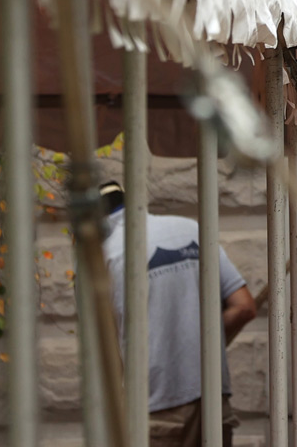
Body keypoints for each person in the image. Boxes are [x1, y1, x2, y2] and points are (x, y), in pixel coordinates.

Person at [103, 181, 261, 446]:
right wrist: (203, 343)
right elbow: (244, 306)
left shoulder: (102, 255)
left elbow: (106, 348)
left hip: (154, 410)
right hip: (213, 402)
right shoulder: (192, 230)